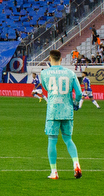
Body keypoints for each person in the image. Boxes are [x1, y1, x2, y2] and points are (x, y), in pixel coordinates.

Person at [36, 50, 84, 179]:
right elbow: (79, 93)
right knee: (68, 139)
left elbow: (46, 88)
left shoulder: (44, 73)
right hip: (67, 109)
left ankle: (54, 172)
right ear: (61, 59)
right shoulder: (70, 73)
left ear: (50, 59)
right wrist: (75, 103)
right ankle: (76, 164)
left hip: (53, 110)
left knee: (52, 140)